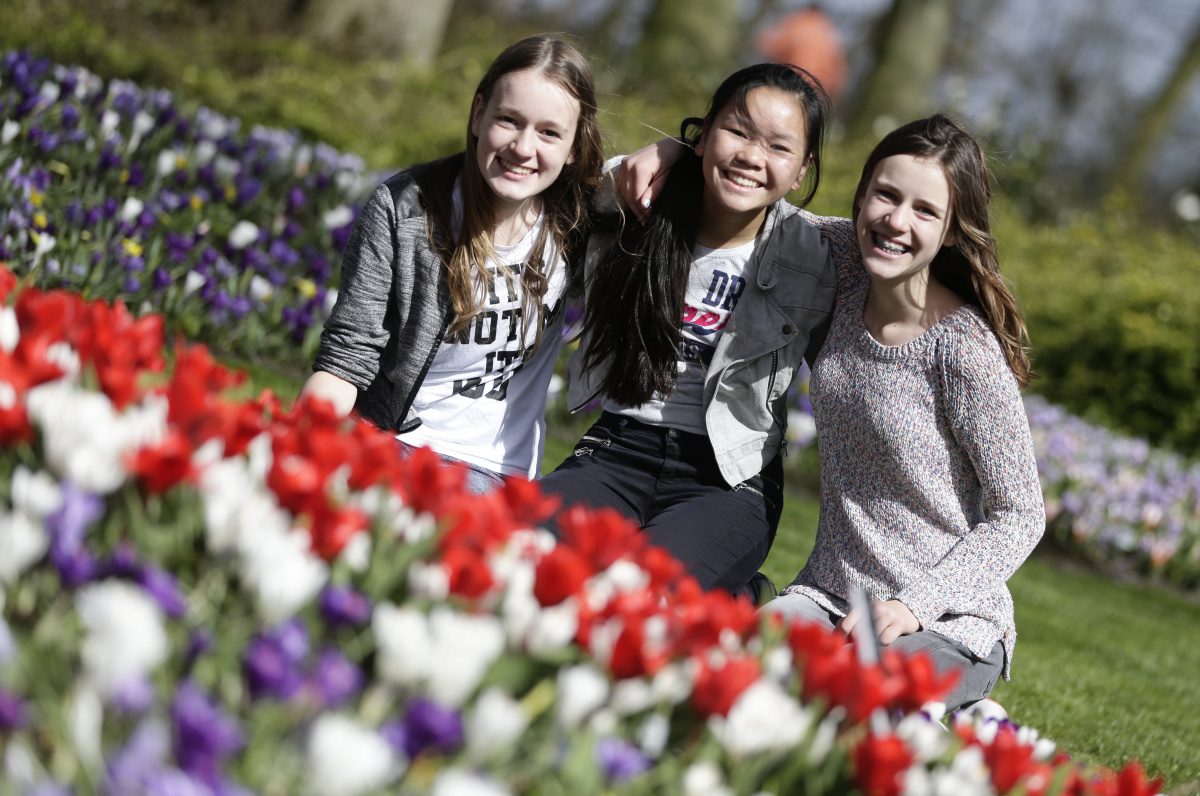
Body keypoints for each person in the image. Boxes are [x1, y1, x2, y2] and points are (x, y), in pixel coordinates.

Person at [622, 114, 1044, 713]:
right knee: (724, 684)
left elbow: (1021, 515)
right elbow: (753, 196)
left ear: (952, 230)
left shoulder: (962, 349)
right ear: (863, 192)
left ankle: (967, 718)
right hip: (829, 596)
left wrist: (914, 606)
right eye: (886, 194)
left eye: (925, 211)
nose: (896, 221)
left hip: (945, 618)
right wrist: (678, 153)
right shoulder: (840, 260)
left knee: (860, 704)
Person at [539, 64, 836, 595]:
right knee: (522, 563)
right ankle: (731, 593)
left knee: (641, 600)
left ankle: (737, 597)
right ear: (704, 135)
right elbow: (555, 183)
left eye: (778, 147)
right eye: (737, 131)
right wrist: (656, 153)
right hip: (616, 448)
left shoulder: (811, 255)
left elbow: (891, 245)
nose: (750, 156)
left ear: (801, 169)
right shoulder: (643, 207)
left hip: (728, 479)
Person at [302, 36, 603, 495]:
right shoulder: (407, 209)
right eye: (509, 120)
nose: (523, 148)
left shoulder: (576, 222)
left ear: (575, 146)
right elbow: (347, 356)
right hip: (394, 441)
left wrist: (666, 153)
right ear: (479, 113)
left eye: (549, 132)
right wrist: (295, 445)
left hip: (496, 470)